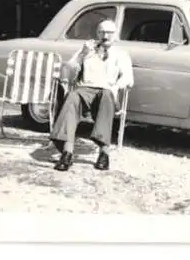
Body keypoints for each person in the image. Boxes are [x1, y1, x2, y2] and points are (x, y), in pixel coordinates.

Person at [49, 19, 134, 172]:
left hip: (106, 91)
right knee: (72, 96)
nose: (105, 36)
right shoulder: (87, 50)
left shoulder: (121, 54)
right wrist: (82, 54)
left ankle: (104, 153)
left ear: (115, 34)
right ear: (97, 33)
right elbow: (68, 67)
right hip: (85, 90)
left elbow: (128, 78)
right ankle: (67, 153)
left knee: (107, 96)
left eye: (109, 32)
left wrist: (116, 86)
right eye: (102, 32)